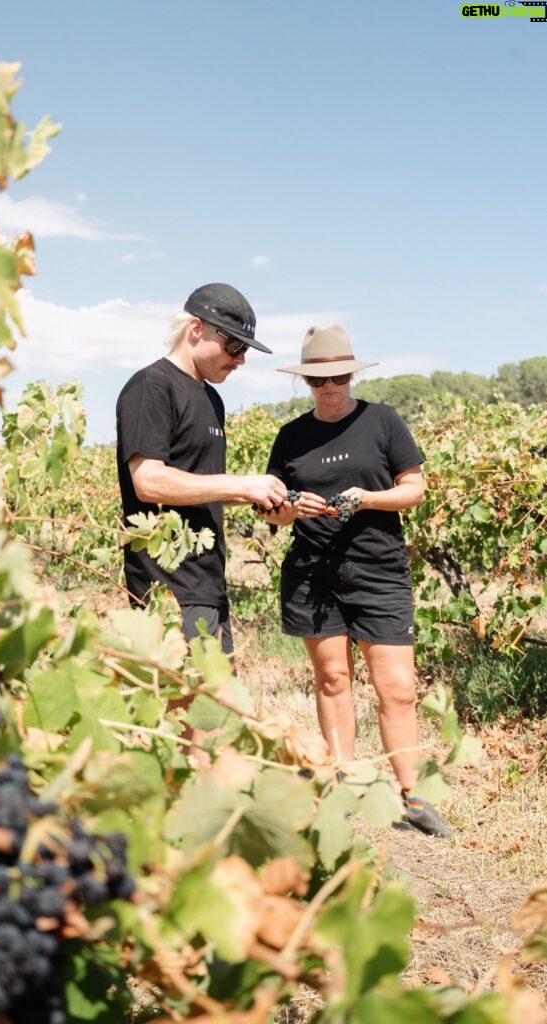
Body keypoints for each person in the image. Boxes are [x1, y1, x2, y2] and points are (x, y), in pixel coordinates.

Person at [263, 324, 451, 838]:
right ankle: (342, 782)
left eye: (338, 375)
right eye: (319, 379)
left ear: (351, 373)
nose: (329, 386)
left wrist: (365, 498)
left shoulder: (383, 422)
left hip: (377, 570)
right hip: (312, 574)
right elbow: (273, 515)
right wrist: (290, 509)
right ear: (306, 382)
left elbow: (414, 490)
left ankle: (412, 797)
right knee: (332, 680)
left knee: (398, 689)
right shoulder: (291, 437)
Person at [116, 282, 287, 655]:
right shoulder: (152, 387)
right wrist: (240, 484)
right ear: (196, 329)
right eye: (235, 346)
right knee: (186, 710)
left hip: (208, 585)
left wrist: (261, 498)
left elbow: (199, 491)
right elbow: (148, 481)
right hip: (166, 589)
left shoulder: (212, 399)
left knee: (214, 711)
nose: (240, 359)